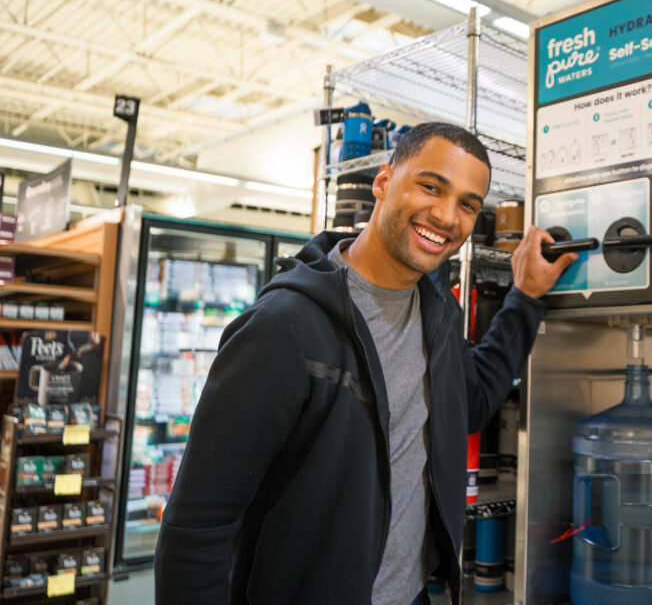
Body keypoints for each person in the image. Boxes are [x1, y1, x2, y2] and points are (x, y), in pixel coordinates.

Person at [154, 122, 577, 604]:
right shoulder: (284, 328)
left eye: (467, 204)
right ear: (382, 182)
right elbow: (197, 527)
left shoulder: (435, 315)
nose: (446, 216)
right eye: (431, 186)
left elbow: (472, 402)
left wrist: (523, 298)